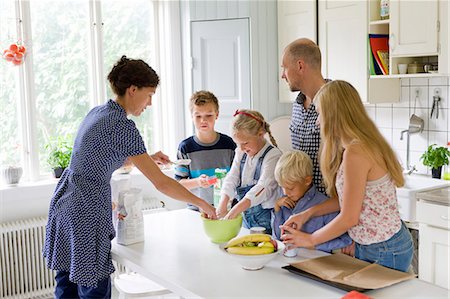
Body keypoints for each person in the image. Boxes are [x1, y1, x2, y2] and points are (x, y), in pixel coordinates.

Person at [43, 56, 217, 298]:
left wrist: (147, 157)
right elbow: (162, 183)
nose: (150, 103)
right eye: (149, 95)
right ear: (133, 90)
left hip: (66, 202)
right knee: (93, 290)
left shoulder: (99, 112)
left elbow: (97, 155)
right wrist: (202, 203)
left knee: (66, 287)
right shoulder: (123, 127)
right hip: (86, 208)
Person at [281, 80, 414, 272]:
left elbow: (349, 217)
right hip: (378, 246)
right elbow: (349, 201)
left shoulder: (356, 152)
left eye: (320, 114)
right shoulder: (355, 147)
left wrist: (310, 240)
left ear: (333, 114)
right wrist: (307, 213)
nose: (318, 121)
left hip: (384, 250)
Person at [271, 150, 352, 253]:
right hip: (288, 260)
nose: (286, 192)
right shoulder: (284, 202)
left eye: (291, 188)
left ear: (307, 181)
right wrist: (277, 208)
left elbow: (344, 241)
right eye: (282, 187)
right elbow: (278, 238)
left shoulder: (324, 206)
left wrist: (312, 244)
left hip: (316, 263)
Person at [216, 109, 282, 235]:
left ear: (260, 134)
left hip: (266, 220)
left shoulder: (273, 156)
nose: (241, 148)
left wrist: (236, 209)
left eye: (245, 143)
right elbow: (232, 177)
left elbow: (263, 187)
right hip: (246, 217)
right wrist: (223, 201)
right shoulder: (241, 151)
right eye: (237, 143)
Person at [281, 38, 329, 193]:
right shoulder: (297, 104)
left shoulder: (335, 101)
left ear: (300, 66)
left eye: (285, 68)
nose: (283, 75)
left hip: (329, 205)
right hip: (302, 205)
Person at [175, 90, 236, 210]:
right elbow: (179, 184)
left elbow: (237, 177)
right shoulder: (185, 148)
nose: (203, 120)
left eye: (209, 115)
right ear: (192, 117)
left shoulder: (229, 144)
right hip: (196, 210)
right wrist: (198, 182)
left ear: (217, 115)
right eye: (198, 116)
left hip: (227, 208)